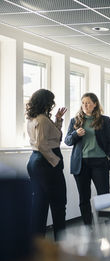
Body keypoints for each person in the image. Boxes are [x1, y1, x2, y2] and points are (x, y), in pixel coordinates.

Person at [65, 93, 110, 225]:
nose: (85, 105)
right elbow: (68, 141)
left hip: (100, 162)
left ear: (95, 104)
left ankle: (107, 226)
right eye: (83, 103)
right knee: (84, 198)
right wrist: (76, 134)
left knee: (104, 196)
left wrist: (108, 156)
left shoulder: (104, 120)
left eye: (88, 102)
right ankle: (88, 226)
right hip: (81, 164)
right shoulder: (75, 120)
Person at [26, 89, 67, 240]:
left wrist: (58, 120)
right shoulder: (42, 119)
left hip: (35, 161)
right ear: (46, 102)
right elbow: (42, 144)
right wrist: (56, 161)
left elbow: (51, 137)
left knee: (40, 204)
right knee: (59, 204)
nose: (52, 104)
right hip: (46, 161)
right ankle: (61, 244)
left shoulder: (34, 118)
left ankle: (37, 246)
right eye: (51, 101)